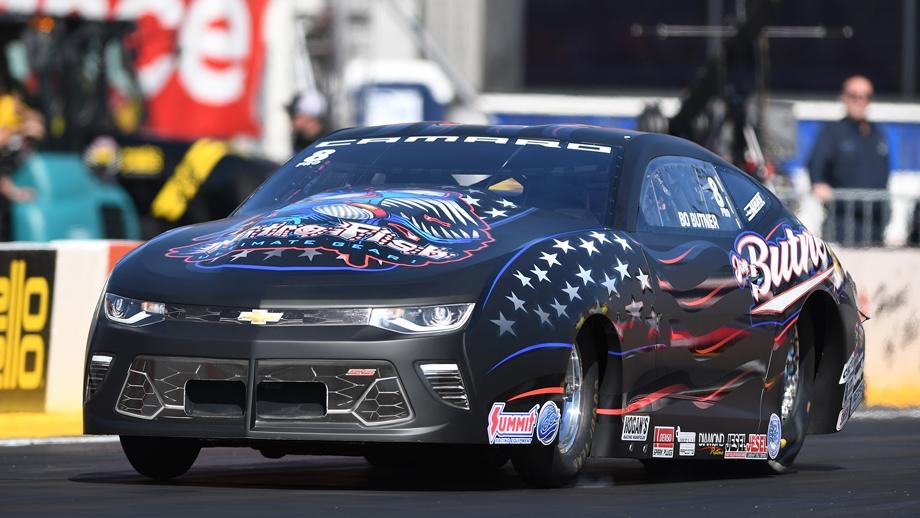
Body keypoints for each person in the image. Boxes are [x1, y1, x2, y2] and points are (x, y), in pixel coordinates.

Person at [807, 75, 890, 245]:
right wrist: (818, 183)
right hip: (842, 224)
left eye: (866, 96)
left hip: (875, 225)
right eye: (854, 96)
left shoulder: (877, 134)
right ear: (844, 97)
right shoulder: (832, 132)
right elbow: (816, 164)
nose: (860, 101)